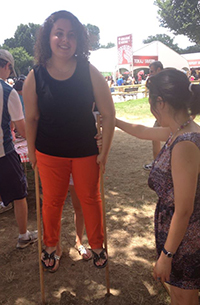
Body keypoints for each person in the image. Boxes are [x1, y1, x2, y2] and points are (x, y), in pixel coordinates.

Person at [23, 10, 115, 272]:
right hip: (49, 152)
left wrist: (104, 151)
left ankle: (96, 244)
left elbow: (109, 114)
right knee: (52, 201)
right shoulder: (35, 75)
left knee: (90, 198)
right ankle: (50, 246)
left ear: (79, 40)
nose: (65, 40)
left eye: (71, 35)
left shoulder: (89, 71)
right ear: (48, 38)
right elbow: (31, 119)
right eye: (59, 33)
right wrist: (32, 153)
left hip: (85, 151)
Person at [116, 68, 200, 305]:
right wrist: (114, 121)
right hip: (179, 235)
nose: (152, 111)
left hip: (186, 239)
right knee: (178, 294)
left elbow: (184, 209)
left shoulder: (185, 143)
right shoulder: (180, 131)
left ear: (160, 102)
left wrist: (167, 255)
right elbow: (143, 131)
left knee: (184, 298)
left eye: (152, 104)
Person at [0, 49, 38, 248]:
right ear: (7, 66)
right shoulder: (7, 92)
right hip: (4, 153)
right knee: (19, 195)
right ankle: (23, 236)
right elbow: (23, 128)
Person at [143, 61, 163, 171]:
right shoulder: (160, 81)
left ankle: (158, 164)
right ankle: (157, 163)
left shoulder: (162, 82)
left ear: (159, 69)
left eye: (152, 71)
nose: (150, 73)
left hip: (165, 116)